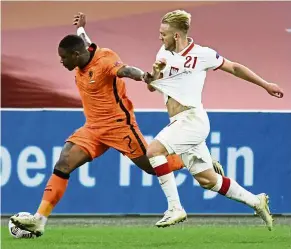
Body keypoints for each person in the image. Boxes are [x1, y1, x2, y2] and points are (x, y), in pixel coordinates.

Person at [10, 13, 225, 237]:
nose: (61, 62)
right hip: (93, 128)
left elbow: (125, 70)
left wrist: (144, 76)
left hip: (119, 127)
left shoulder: (105, 61)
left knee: (153, 166)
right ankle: (39, 221)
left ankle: (199, 160)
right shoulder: (83, 52)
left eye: (63, 58)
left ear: (75, 55)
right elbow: (84, 39)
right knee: (64, 162)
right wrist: (81, 28)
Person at [143, 10, 284, 230]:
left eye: (163, 34)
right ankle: (256, 201)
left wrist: (266, 85)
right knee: (208, 180)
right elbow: (153, 86)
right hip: (178, 122)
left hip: (192, 120)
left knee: (154, 151)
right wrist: (154, 71)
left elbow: (235, 68)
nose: (160, 38)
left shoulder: (203, 54)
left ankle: (175, 208)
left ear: (177, 36)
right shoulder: (163, 52)